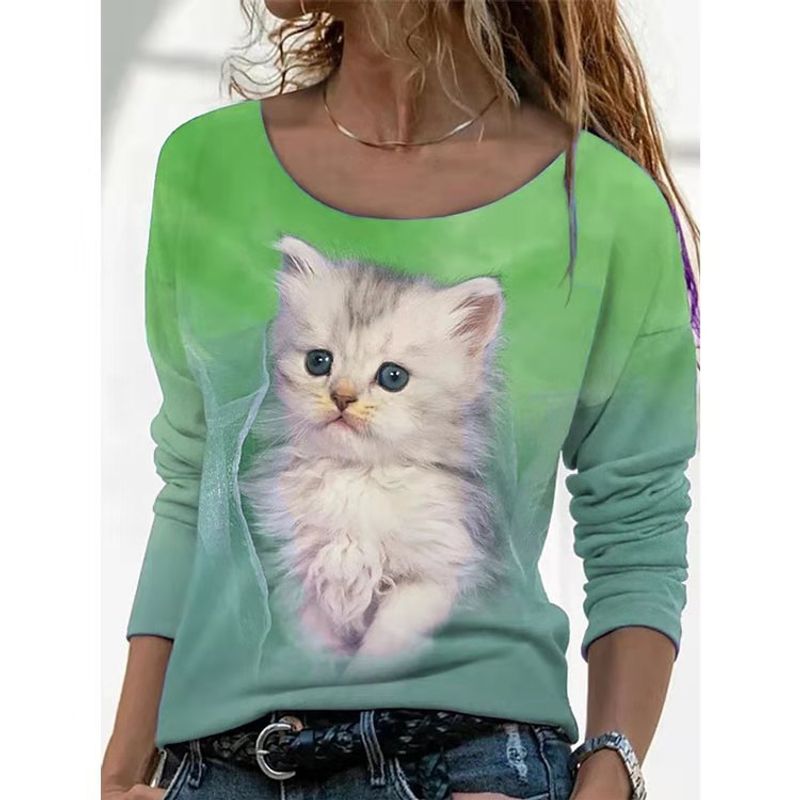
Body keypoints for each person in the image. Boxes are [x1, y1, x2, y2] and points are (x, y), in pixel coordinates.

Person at [101, 2, 700, 799]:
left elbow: (636, 521)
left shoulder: (602, 203)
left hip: (472, 766)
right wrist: (120, 770)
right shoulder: (204, 167)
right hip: (220, 770)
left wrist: (608, 776)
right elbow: (191, 485)